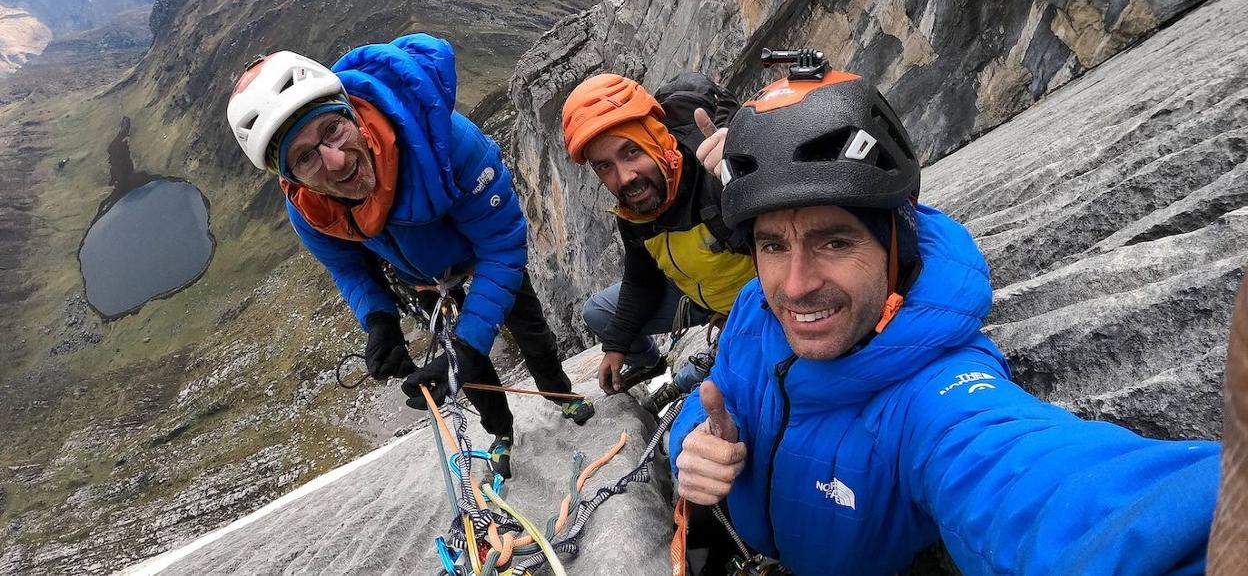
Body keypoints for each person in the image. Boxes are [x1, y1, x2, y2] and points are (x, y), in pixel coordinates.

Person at [670, 63, 1222, 575]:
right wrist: (690, 440)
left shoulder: (937, 394)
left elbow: (1039, 488)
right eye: (771, 246)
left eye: (834, 241)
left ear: (897, 245)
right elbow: (725, 391)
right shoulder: (753, 310)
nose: (794, 286)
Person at [226, 33, 593, 479]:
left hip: (481, 257)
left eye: (333, 129)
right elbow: (346, 266)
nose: (336, 161)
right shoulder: (310, 206)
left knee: (527, 330)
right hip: (420, 279)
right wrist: (379, 322)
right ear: (289, 177)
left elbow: (501, 245)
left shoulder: (450, 144)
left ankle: (560, 395)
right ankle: (502, 434)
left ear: (352, 112)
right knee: (464, 368)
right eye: (305, 158)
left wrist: (469, 344)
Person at [561, 73, 756, 411]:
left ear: (656, 139)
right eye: (604, 166)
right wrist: (617, 345)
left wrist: (738, 323)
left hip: (756, 299)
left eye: (631, 151)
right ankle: (651, 365)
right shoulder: (634, 208)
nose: (624, 178)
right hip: (698, 294)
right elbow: (642, 278)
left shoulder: (715, 177)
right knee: (599, 313)